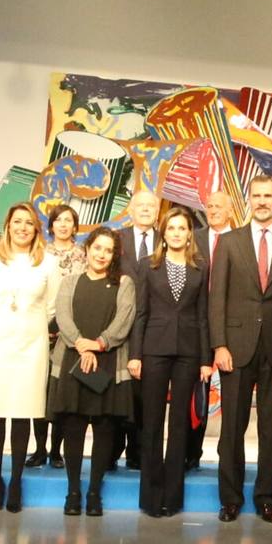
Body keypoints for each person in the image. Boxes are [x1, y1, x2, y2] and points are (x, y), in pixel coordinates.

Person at [208, 175, 272, 523]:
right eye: (257, 195)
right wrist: (218, 344)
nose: (263, 201)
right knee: (232, 427)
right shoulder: (230, 242)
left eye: (269, 196)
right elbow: (216, 296)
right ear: (248, 200)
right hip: (235, 347)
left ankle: (267, 498)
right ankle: (230, 499)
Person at [0, 203, 58, 512]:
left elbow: (51, 306)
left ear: (37, 228)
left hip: (32, 344)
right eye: (16, 221)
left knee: (23, 411)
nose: (22, 227)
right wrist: (0, 323)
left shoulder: (48, 263)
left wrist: (27, 325)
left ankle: (17, 480)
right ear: (7, 226)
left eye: (29, 223)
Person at [129, 208, 213, 517]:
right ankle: (151, 497)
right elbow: (141, 313)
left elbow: (203, 316)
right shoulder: (147, 266)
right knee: (151, 422)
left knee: (180, 424)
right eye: (172, 228)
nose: (177, 233)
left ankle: (172, 497)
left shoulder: (200, 268)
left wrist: (206, 359)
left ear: (190, 233)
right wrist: (135, 354)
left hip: (189, 352)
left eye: (183, 228)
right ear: (163, 233)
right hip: (153, 349)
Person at [50, 229, 138, 516]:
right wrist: (82, 345)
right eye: (97, 248)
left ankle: (94, 493)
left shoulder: (124, 283)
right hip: (73, 363)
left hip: (109, 364)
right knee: (73, 429)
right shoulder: (70, 282)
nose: (101, 254)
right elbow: (62, 317)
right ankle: (73, 491)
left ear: (114, 256)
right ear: (87, 249)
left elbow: (123, 320)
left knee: (104, 431)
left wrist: (99, 344)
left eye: (108, 250)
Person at [113, 190, 164, 470]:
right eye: (140, 205)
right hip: (119, 323)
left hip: (153, 325)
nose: (145, 210)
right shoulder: (116, 239)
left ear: (158, 211)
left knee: (145, 393)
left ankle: (139, 453)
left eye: (151, 206)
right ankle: (112, 451)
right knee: (118, 391)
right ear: (130, 210)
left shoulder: (165, 241)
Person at [189, 190, 238, 470]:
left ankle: (228, 459)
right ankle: (191, 453)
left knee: (233, 397)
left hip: (232, 327)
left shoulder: (242, 240)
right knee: (195, 392)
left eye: (219, 206)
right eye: (209, 206)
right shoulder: (193, 238)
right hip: (196, 324)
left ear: (231, 210)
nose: (214, 209)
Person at [32, 202, 84, 468]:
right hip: (41, 327)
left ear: (75, 227)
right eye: (58, 220)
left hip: (71, 332)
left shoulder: (83, 255)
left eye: (68, 220)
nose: (63, 225)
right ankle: (39, 449)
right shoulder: (39, 253)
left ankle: (56, 450)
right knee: (39, 390)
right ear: (50, 225)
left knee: (62, 391)